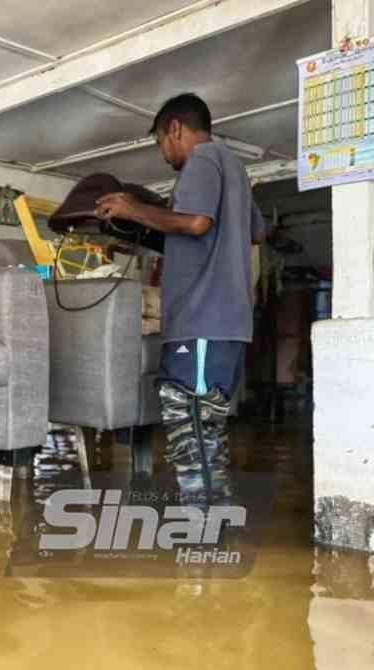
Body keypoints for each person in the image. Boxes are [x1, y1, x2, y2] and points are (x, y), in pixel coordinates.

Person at [94, 93, 266, 506]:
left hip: (203, 320)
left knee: (189, 423)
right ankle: (212, 519)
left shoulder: (202, 159)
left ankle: (204, 528)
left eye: (159, 142)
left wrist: (135, 210)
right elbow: (250, 233)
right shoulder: (236, 171)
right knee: (203, 427)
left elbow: (194, 222)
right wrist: (138, 236)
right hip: (223, 324)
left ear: (174, 129)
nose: (163, 153)